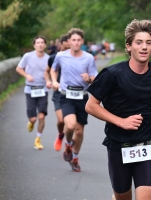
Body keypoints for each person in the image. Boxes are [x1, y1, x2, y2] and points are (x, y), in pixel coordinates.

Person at [85, 19, 151, 200]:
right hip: (118, 145)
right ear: (129, 46)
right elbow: (91, 106)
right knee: (122, 197)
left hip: (146, 144)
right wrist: (121, 121)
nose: (144, 47)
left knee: (148, 195)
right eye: (139, 42)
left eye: (148, 43)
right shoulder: (112, 74)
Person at [50, 28, 98, 172]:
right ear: (69, 41)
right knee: (70, 126)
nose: (76, 43)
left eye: (79, 40)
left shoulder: (89, 58)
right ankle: (68, 144)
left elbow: (95, 77)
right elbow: (53, 69)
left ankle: (75, 158)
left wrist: (88, 79)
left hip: (82, 97)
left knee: (79, 131)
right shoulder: (60, 56)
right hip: (66, 96)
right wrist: (54, 81)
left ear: (82, 42)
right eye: (74, 40)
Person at [16, 36, 50, 150]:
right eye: (38, 43)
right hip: (30, 89)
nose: (40, 45)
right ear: (34, 45)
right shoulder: (28, 56)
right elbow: (19, 68)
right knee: (33, 118)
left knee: (41, 117)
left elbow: (51, 72)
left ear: (45, 45)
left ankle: (38, 140)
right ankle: (31, 122)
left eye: (42, 43)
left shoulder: (48, 58)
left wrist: (49, 81)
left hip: (43, 90)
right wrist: (27, 75)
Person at [44, 33, 70, 151]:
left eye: (69, 48)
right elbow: (47, 71)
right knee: (61, 120)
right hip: (59, 92)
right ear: (60, 46)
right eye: (65, 48)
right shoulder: (54, 57)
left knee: (71, 124)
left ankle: (68, 143)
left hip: (73, 93)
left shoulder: (78, 58)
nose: (67, 51)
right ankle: (60, 135)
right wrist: (50, 81)